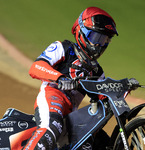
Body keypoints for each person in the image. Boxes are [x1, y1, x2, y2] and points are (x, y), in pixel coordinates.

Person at [23, 6, 121, 150]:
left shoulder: (97, 71)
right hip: (52, 98)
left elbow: (104, 99)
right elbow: (36, 67)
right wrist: (60, 78)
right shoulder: (63, 48)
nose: (100, 45)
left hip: (73, 114)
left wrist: (121, 90)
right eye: (96, 38)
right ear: (81, 32)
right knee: (51, 128)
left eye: (105, 40)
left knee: (102, 143)